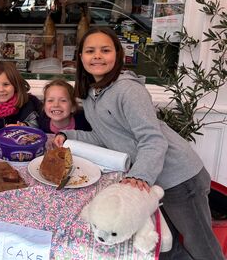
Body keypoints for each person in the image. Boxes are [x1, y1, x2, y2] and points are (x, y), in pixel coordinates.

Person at [52, 26, 224, 260]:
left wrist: (140, 175)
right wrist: (69, 136)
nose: (98, 56)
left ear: (118, 54)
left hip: (179, 178)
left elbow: (153, 139)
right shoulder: (92, 94)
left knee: (200, 245)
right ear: (80, 57)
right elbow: (105, 138)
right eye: (90, 51)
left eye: (105, 50)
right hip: (153, 182)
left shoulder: (128, 90)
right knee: (166, 246)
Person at [0, 61, 41, 129]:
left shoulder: (28, 104)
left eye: (6, 84)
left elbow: (37, 124)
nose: (1, 89)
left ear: (15, 85)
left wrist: (24, 126)